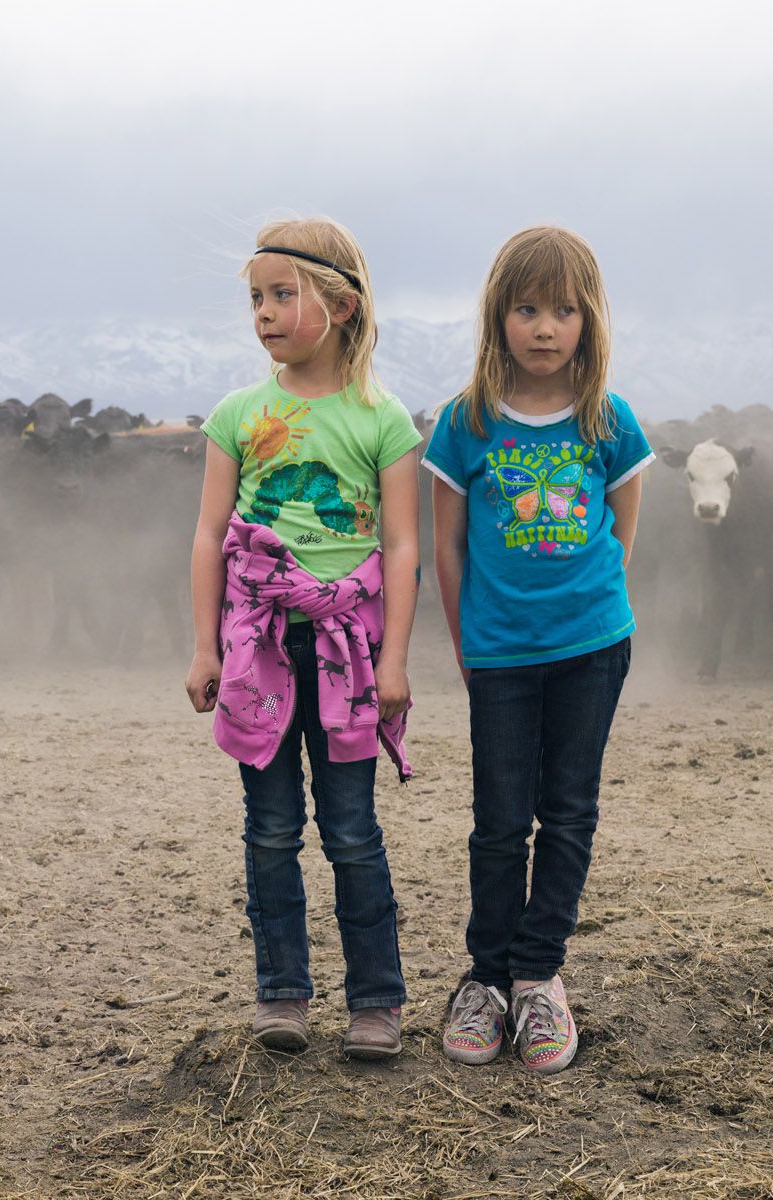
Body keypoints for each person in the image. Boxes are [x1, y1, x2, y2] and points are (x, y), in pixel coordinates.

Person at [186, 217, 422, 1059]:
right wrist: (206, 646)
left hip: (347, 655)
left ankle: (376, 1001)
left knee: (352, 830)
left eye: (283, 294)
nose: (264, 312)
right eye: (256, 297)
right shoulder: (238, 416)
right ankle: (281, 992)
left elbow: (401, 547)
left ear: (343, 306)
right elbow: (211, 534)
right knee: (270, 828)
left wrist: (395, 659)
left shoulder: (383, 420)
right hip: (257, 650)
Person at [424, 226, 652, 1074]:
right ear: (498, 317)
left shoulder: (608, 419)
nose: (545, 327)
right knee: (498, 820)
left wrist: (590, 613)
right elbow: (447, 547)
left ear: (589, 320)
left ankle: (537, 979)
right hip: (499, 655)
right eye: (526, 309)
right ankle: (485, 980)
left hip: (592, 648)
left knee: (568, 811)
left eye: (563, 310)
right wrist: (468, 644)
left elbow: (621, 533)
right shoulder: (466, 422)